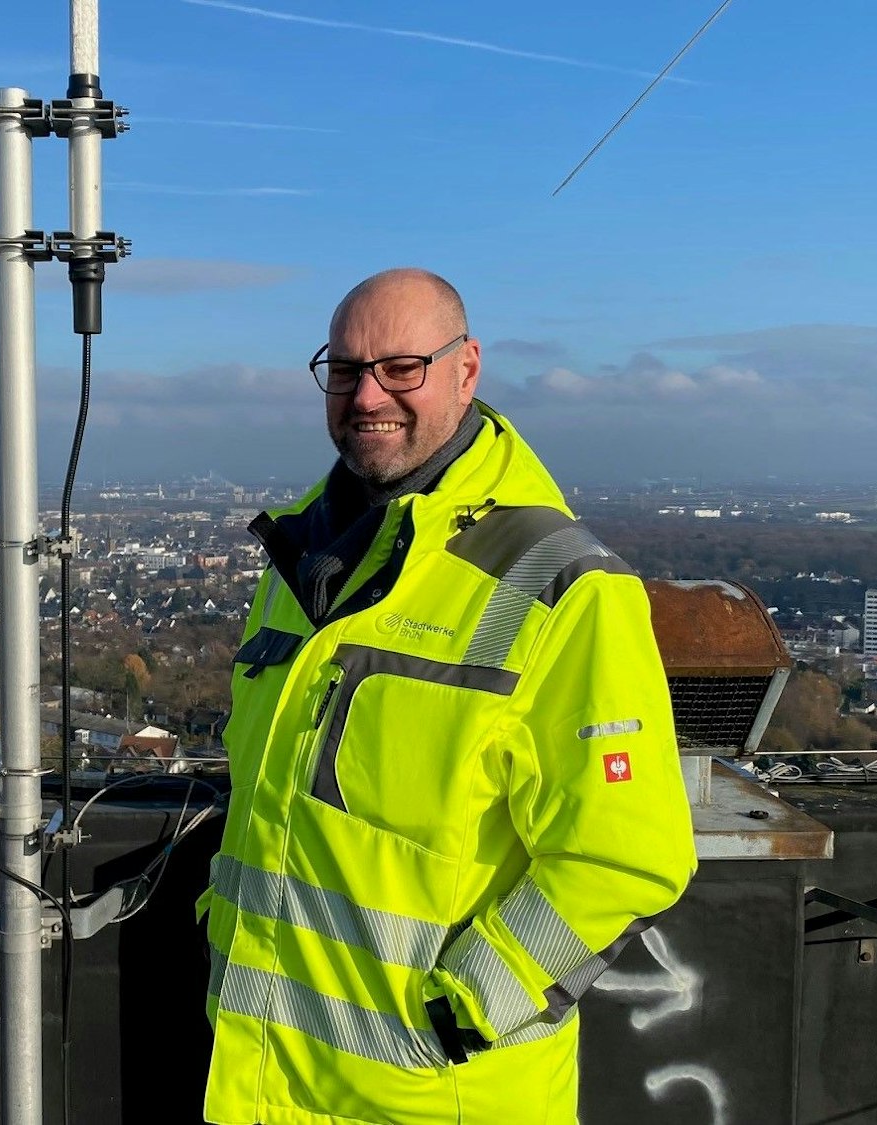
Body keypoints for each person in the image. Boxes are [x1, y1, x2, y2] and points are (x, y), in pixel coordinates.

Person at [199, 268, 697, 1124]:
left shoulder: (561, 585)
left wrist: (461, 1012)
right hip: (263, 1083)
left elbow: (627, 855)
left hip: (435, 1098)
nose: (368, 396)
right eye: (346, 370)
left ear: (466, 370)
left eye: (402, 367)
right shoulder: (302, 556)